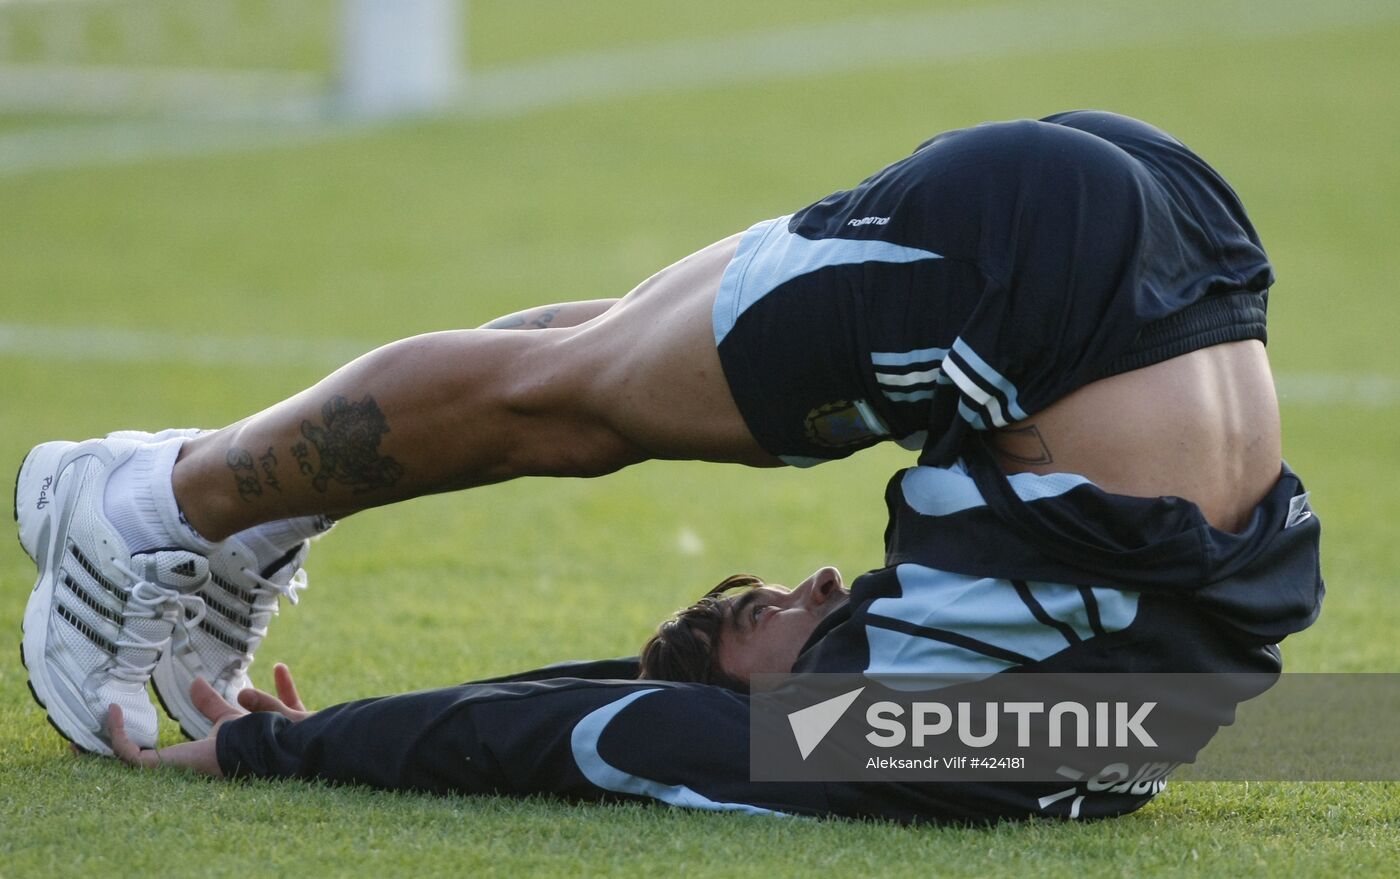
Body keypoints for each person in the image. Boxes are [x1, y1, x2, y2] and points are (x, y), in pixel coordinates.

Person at [16, 111, 1323, 821]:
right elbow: (599, 733)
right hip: (1032, 289)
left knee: (599, 365)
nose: (812, 579)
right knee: (569, 405)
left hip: (1159, 250)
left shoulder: (1079, 738)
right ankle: (151, 505)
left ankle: (171, 509)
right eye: (736, 624)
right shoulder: (904, 741)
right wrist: (286, 760)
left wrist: (289, 748)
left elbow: (609, 713)